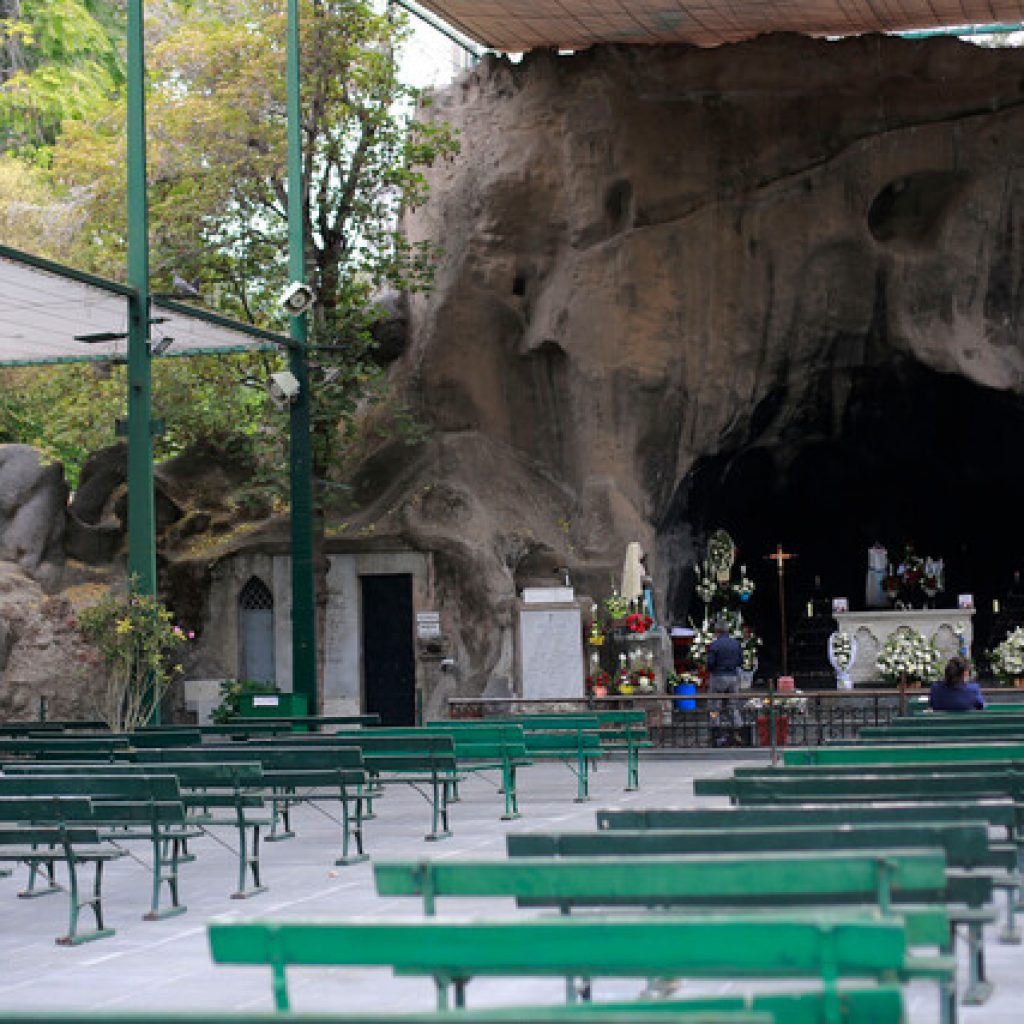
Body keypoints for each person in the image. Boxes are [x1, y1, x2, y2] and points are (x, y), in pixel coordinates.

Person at [707, 619, 744, 743]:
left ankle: (716, 731)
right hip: (733, 676)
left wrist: (713, 669)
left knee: (714, 706)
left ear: (717, 631)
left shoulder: (715, 645)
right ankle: (737, 730)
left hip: (718, 675)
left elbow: (710, 662)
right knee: (733, 705)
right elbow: (740, 661)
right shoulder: (735, 644)